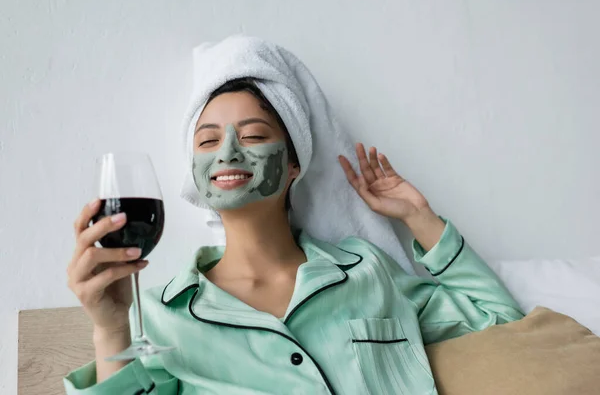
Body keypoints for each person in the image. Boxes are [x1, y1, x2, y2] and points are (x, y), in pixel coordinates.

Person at [64, 42, 524, 395]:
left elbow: (503, 322)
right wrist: (109, 328)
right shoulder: (164, 317)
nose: (228, 151)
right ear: (196, 173)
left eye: (254, 134)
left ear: (292, 163)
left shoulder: (366, 271)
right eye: (207, 142)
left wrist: (420, 219)